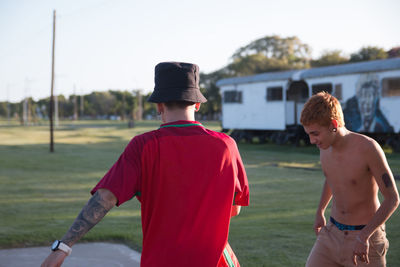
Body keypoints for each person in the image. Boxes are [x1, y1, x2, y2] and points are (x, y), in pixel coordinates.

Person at [41, 62, 250, 267]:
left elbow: (105, 197)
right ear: (197, 104)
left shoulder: (143, 146)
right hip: (218, 261)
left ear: (159, 105)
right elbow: (234, 209)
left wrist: (63, 247)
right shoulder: (226, 145)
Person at [300, 92, 399, 267]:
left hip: (365, 238)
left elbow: (392, 199)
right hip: (331, 233)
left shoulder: (368, 148)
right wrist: (320, 211)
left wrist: (364, 236)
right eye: (308, 134)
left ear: (333, 124)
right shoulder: (325, 148)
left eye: (315, 133)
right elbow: (331, 178)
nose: (311, 140)